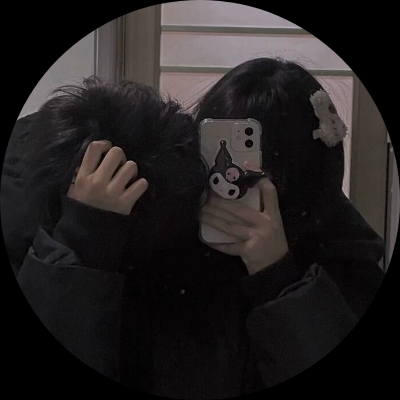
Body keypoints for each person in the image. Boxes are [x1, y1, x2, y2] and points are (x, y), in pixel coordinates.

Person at [1, 62, 385, 398]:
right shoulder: (155, 210)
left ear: (307, 179)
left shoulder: (338, 247)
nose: (236, 179)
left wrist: (278, 278)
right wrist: (85, 236)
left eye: (273, 173)